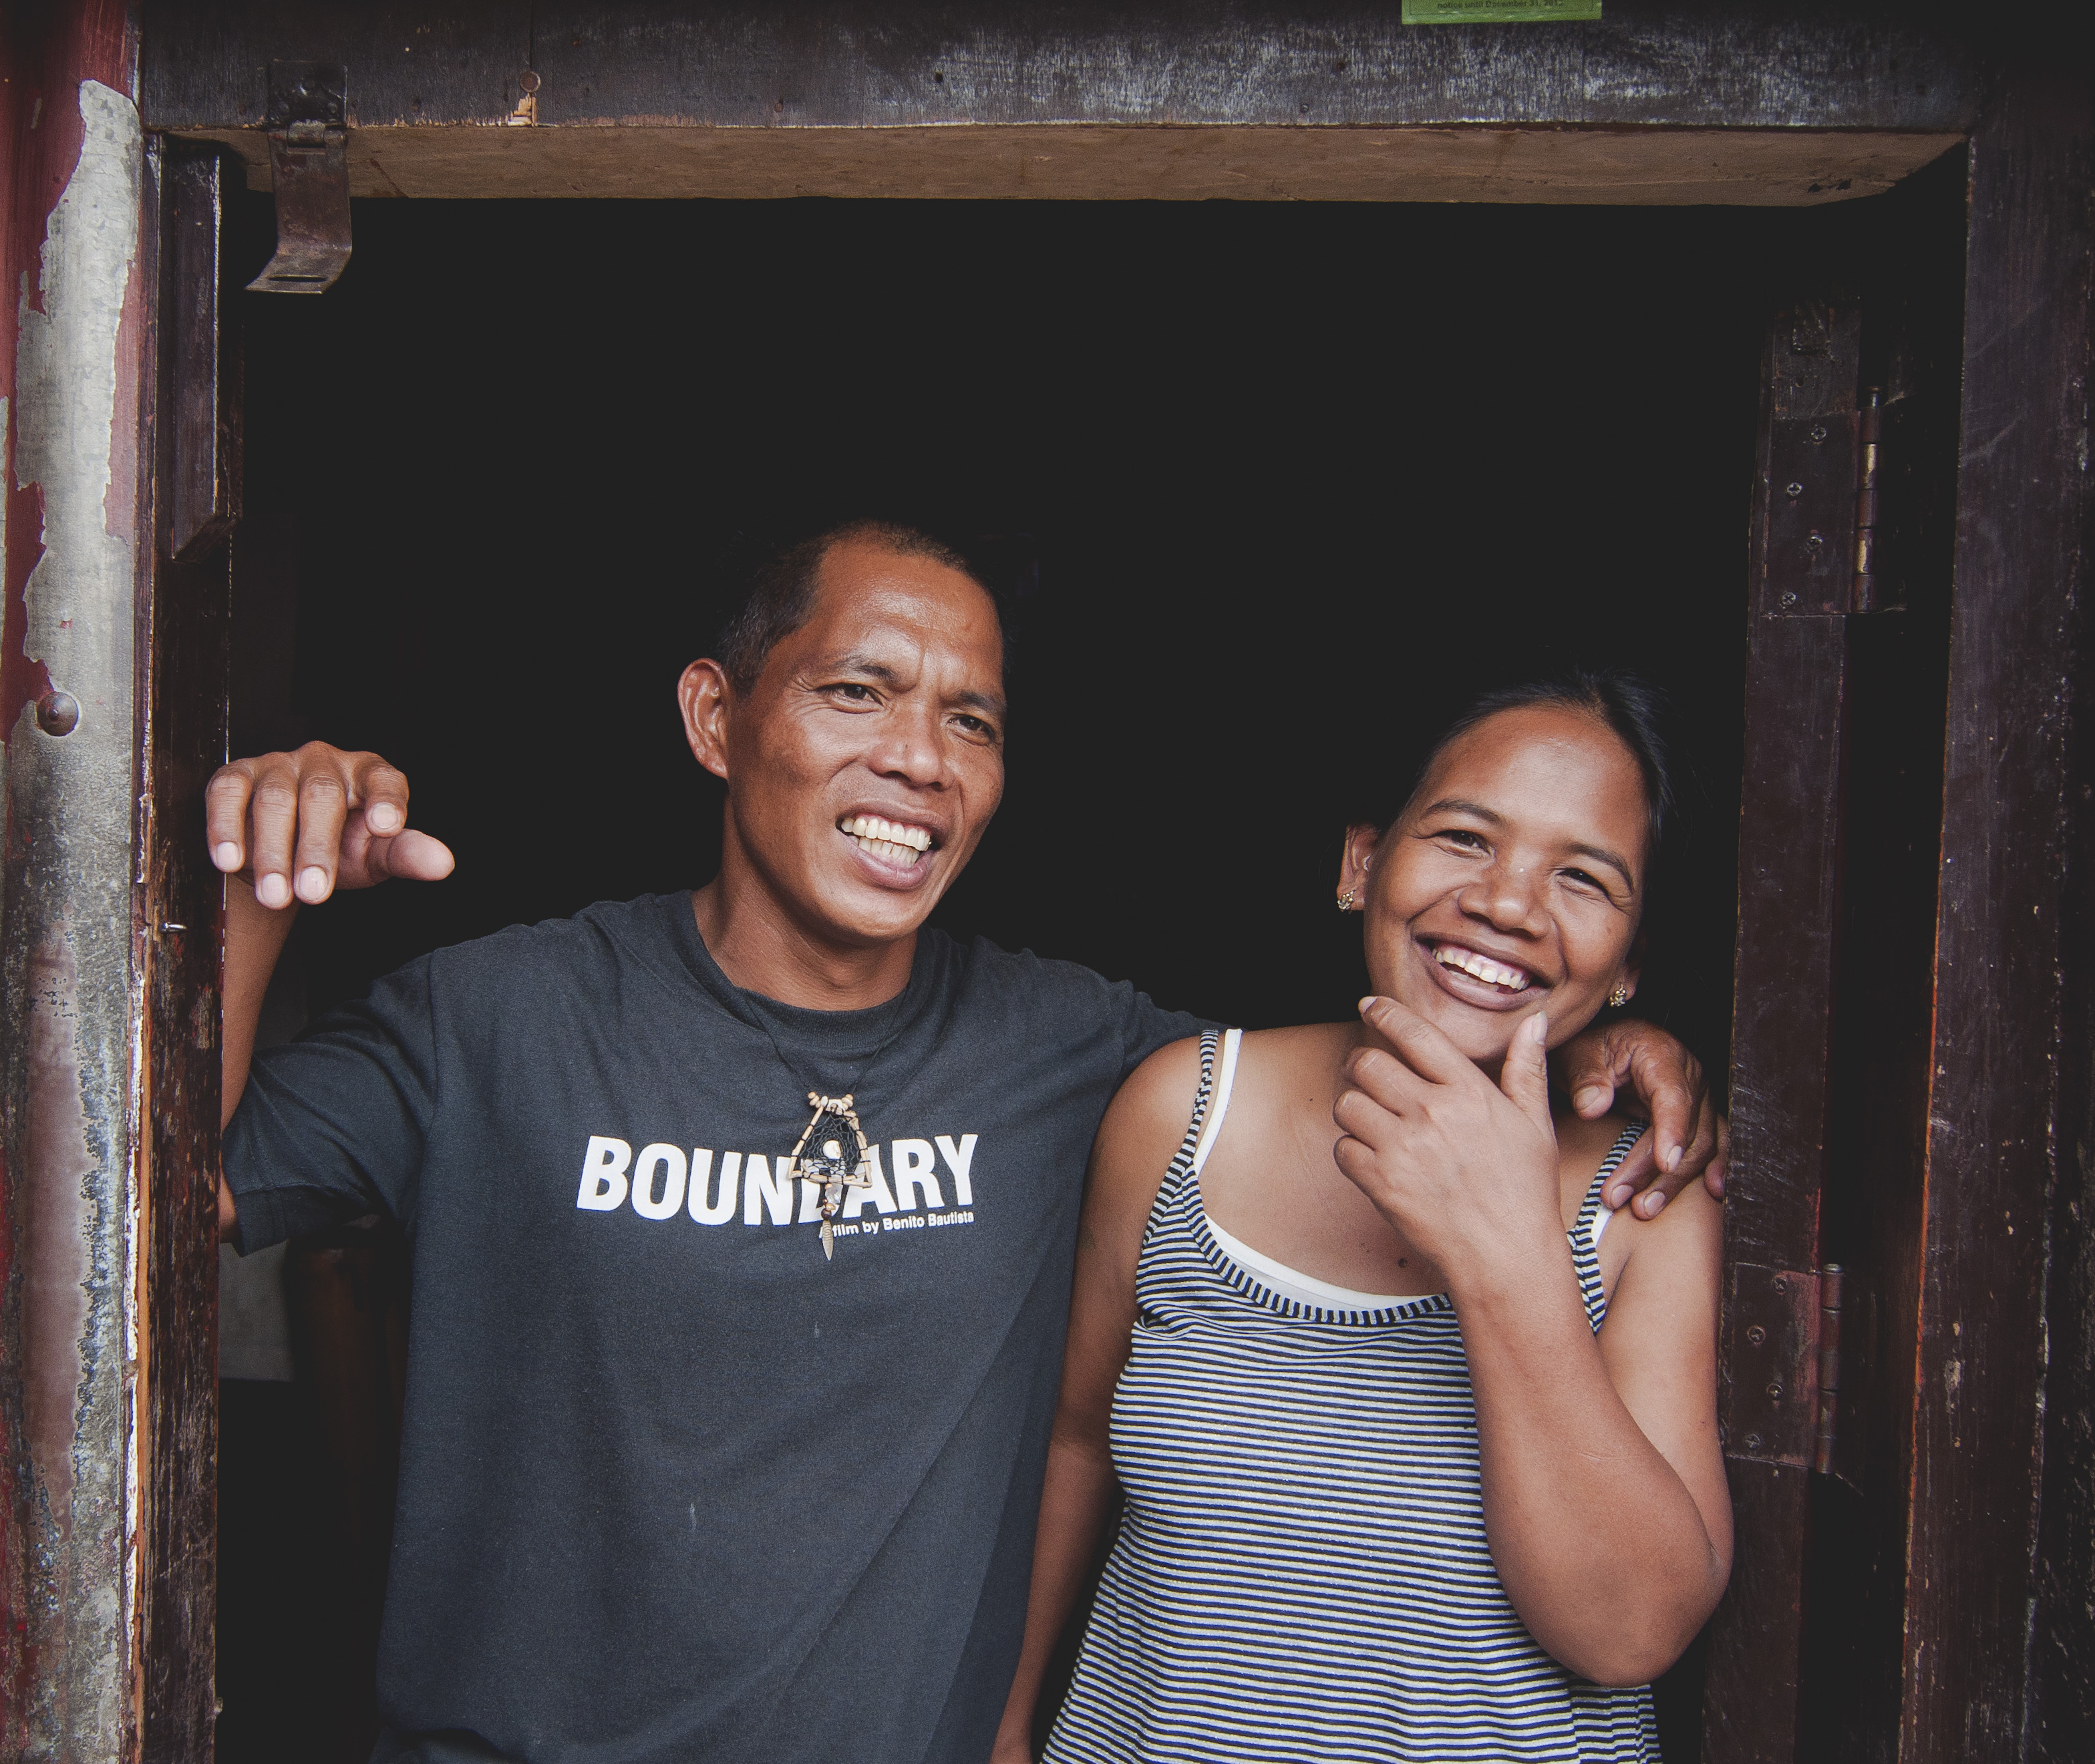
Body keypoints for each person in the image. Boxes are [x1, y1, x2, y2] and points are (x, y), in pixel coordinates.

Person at [208, 523, 1726, 1764]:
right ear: (716, 718)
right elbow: (162, 1214)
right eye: (857, 690)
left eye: (971, 720)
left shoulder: (1076, 1055)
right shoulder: (498, 1017)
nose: (920, 759)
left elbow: (1388, 1033)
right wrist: (252, 893)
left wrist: (1597, 1049)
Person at [994, 673, 1728, 1764]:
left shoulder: (1646, 1194)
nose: (1509, 904)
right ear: (1360, 864)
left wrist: (1506, 1252)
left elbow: (1629, 1632)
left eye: (1583, 877)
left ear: (1630, 964)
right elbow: (1077, 1441)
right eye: (1466, 837)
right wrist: (1008, 1727)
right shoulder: (1181, 1113)